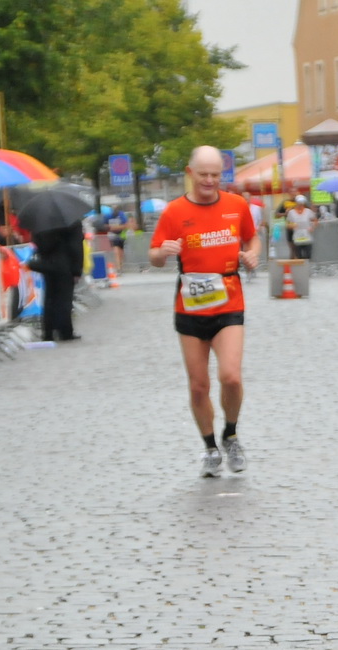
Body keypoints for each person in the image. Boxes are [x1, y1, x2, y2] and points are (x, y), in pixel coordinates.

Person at [150, 145, 261, 477]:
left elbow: (252, 240)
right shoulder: (173, 212)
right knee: (198, 385)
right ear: (190, 173)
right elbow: (154, 255)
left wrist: (252, 255)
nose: (210, 181)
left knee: (231, 376)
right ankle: (210, 447)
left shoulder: (236, 205)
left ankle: (231, 433)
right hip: (191, 305)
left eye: (216, 175)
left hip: (229, 299)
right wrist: (163, 252)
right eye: (203, 175)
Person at [31, 220, 84, 342]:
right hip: (65, 264)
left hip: (47, 263)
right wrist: (77, 270)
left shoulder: (40, 221)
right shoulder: (72, 221)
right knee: (64, 299)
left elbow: (37, 243)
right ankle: (65, 331)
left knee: (49, 298)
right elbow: (76, 246)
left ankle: (48, 332)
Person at [287, 195, 316, 259]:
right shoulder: (291, 213)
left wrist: (312, 227)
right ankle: (301, 268)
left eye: (302, 203)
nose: (301, 205)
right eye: (299, 203)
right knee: (299, 256)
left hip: (307, 237)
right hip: (297, 237)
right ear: (296, 203)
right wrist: (292, 226)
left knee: (308, 255)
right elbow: (288, 225)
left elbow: (315, 220)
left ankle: (307, 267)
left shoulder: (308, 211)